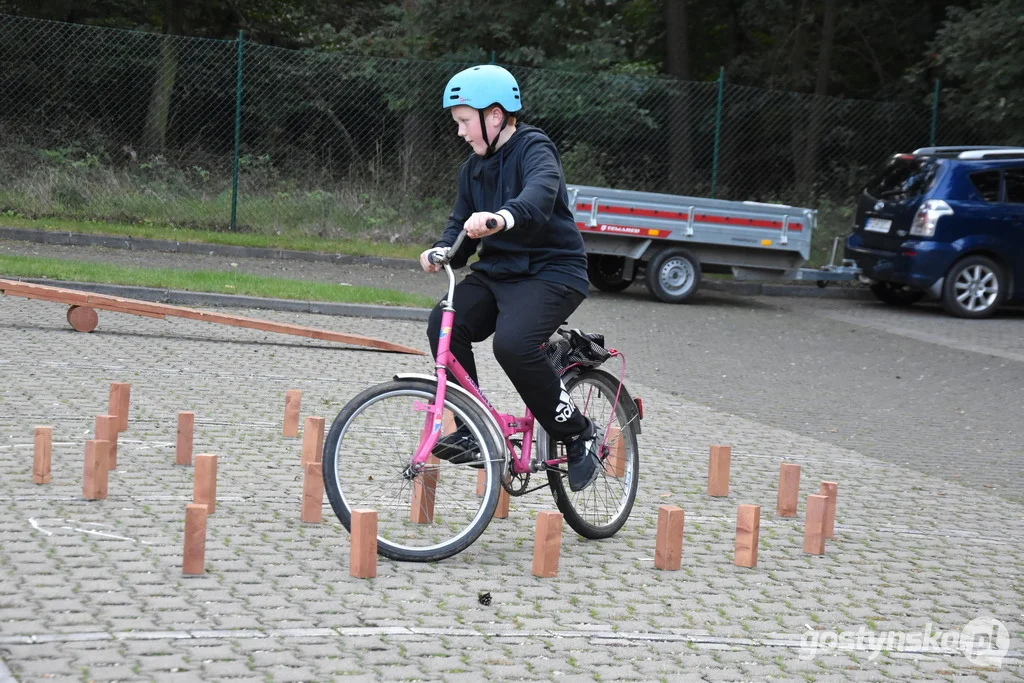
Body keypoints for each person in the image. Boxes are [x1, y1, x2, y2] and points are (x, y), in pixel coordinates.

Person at [419, 64, 599, 492]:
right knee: (444, 322)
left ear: (494, 115)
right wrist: (443, 250)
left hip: (553, 272)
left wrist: (502, 217)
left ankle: (577, 432)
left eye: (465, 121)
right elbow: (461, 225)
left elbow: (537, 195)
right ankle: (472, 427)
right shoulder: (473, 169)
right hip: (499, 273)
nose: (460, 131)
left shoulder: (535, 148)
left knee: (514, 345)